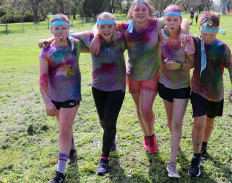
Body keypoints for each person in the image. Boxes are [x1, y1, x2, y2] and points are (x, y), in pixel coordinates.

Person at [91, 0, 190, 154]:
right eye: (137, 9)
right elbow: (100, 24)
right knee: (138, 108)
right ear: (132, 12)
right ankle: (147, 137)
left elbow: (184, 20)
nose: (140, 12)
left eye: (143, 9)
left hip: (151, 75)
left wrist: (183, 32)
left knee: (145, 108)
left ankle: (150, 136)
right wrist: (97, 36)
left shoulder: (156, 23)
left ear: (148, 11)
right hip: (132, 75)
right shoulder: (124, 26)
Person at [40, 12, 127, 176]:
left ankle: (104, 159)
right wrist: (48, 41)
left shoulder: (122, 37)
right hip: (98, 87)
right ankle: (111, 136)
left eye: (110, 26)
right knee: (103, 121)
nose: (106, 30)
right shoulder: (89, 36)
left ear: (115, 26)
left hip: (117, 87)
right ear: (98, 26)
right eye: (102, 26)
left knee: (109, 122)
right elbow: (66, 35)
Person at [188, 11, 232, 177]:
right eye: (203, 33)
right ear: (200, 30)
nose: (206, 36)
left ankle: (204, 146)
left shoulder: (222, 48)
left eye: (210, 33)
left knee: (209, 122)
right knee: (199, 122)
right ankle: (196, 158)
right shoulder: (195, 42)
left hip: (216, 93)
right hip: (197, 89)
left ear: (217, 31)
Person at [39, 14, 88, 183]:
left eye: (64, 28)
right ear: (51, 30)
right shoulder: (46, 52)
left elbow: (89, 34)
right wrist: (47, 102)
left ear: (69, 28)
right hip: (54, 97)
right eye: (56, 28)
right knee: (64, 127)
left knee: (64, 130)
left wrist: (73, 34)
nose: (60, 32)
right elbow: (42, 79)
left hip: (72, 95)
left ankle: (60, 173)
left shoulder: (76, 45)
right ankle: (72, 150)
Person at [158, 5, 195, 178]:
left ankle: (172, 163)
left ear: (180, 21)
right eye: (169, 19)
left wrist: (180, 65)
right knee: (170, 120)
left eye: (175, 19)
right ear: (164, 21)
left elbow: (192, 63)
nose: (172, 23)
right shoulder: (160, 35)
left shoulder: (186, 39)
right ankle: (176, 144)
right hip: (164, 84)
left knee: (177, 123)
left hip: (181, 86)